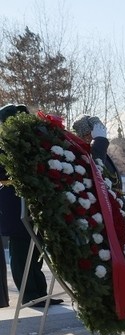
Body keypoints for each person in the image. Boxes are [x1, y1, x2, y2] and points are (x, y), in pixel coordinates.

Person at [0, 103, 62, 308]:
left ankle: (40, 293)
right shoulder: (3, 145)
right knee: (20, 251)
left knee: (36, 249)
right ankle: (29, 295)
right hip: (13, 200)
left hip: (33, 199)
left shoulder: (32, 144)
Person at [71, 114, 122, 190]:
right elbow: (97, 167)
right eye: (89, 134)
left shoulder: (100, 150)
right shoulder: (79, 153)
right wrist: (99, 140)